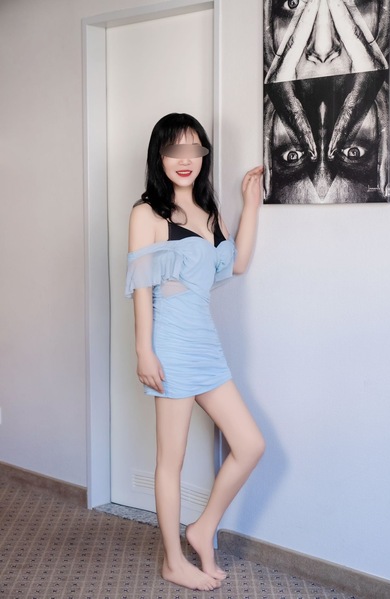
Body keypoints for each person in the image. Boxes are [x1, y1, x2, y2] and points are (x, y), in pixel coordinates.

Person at [125, 113, 265, 591]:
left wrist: (251, 205)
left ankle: (202, 528)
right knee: (172, 459)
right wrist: (144, 351)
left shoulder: (209, 210)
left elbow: (236, 264)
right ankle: (172, 560)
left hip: (206, 345)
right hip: (170, 346)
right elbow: (143, 288)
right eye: (174, 150)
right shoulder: (147, 213)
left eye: (194, 149)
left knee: (250, 444)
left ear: (203, 155)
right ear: (159, 156)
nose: (185, 160)